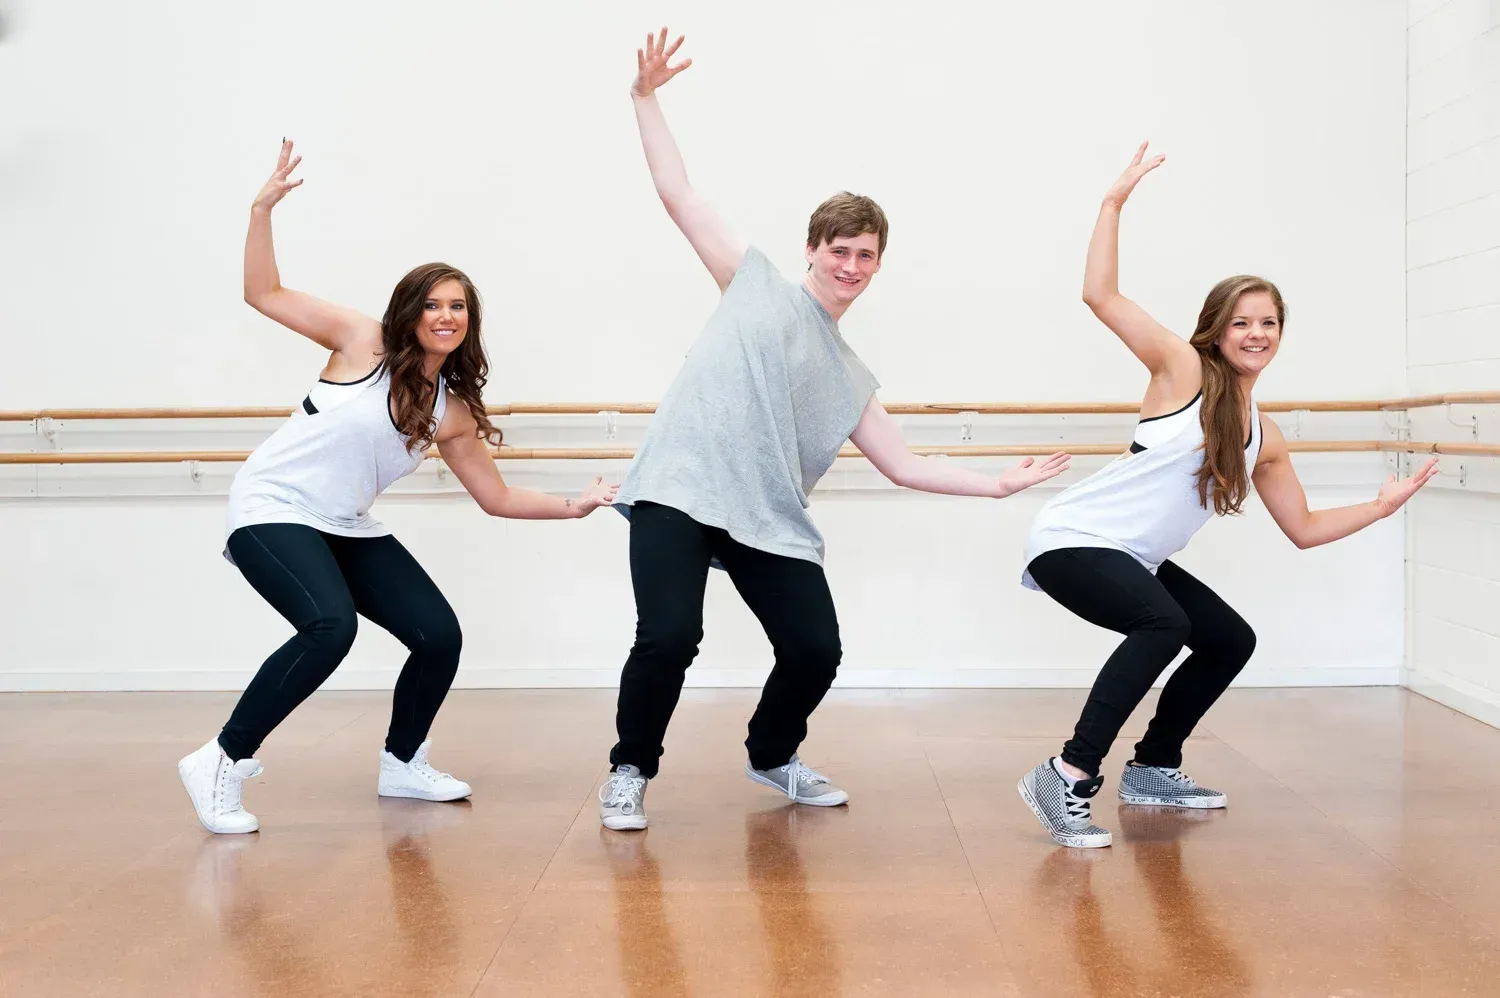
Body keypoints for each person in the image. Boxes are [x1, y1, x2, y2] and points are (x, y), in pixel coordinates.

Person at [597, 29, 1072, 831]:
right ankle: (629, 770)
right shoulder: (752, 284)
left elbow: (904, 465)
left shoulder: (851, 377)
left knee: (816, 649)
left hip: (766, 518)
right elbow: (679, 193)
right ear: (812, 250)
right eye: (840, 250)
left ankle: (772, 754)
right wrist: (644, 97)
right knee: (670, 636)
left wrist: (996, 483)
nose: (852, 265)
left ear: (877, 265)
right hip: (679, 490)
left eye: (867, 255)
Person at [178, 141, 619, 835]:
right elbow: (261, 292)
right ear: (411, 310)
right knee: (330, 627)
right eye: (435, 304)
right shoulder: (362, 341)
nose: (447, 316)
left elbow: (498, 498)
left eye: (460, 308)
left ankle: (403, 761)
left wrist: (577, 504)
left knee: (437, 634)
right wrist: (261, 210)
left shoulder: (452, 410)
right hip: (271, 507)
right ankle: (222, 759)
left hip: (341, 521)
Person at [1016, 143, 1438, 848]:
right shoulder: (1182, 370)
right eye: (1243, 321)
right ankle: (1067, 772)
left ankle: (1153, 766)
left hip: (1131, 558)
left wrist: (1381, 506)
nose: (1257, 333)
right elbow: (1101, 296)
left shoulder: (1261, 434)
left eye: (1268, 322)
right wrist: (1113, 203)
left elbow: (1302, 528)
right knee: (1164, 625)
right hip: (1074, 539)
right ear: (1218, 329)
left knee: (1227, 639)